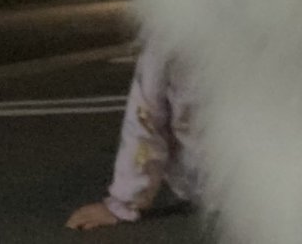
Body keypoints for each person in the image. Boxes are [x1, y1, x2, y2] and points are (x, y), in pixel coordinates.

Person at [66, 38, 202, 230]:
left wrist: (124, 201)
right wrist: (124, 201)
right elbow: (146, 115)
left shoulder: (175, 32)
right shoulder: (172, 36)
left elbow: (145, 116)